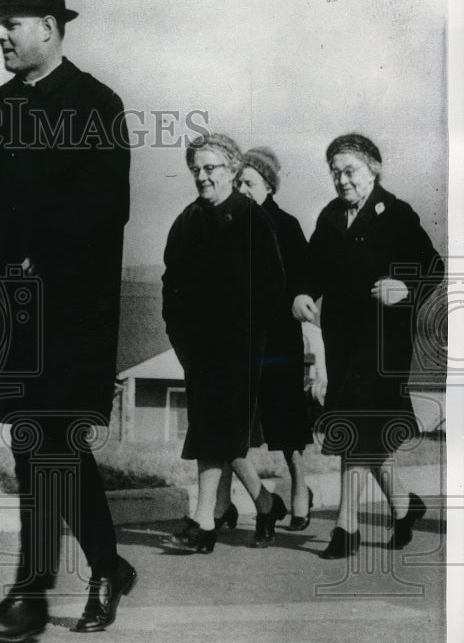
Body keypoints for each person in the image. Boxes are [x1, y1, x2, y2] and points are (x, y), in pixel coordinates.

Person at [0, 0, 134, 643]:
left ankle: (30, 597)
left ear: (52, 27)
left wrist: (40, 255)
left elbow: (105, 211)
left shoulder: (96, 105)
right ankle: (108, 566)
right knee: (43, 448)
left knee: (46, 443)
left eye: (12, 22)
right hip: (6, 304)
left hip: (70, 309)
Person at [292, 134, 442, 559]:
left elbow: (433, 266)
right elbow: (311, 267)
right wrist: (302, 292)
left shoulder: (395, 213)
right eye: (335, 172)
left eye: (350, 170)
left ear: (373, 167)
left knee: (355, 426)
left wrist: (404, 286)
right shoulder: (330, 216)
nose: (342, 180)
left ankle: (347, 527)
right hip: (343, 340)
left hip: (383, 344)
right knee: (365, 431)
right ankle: (403, 505)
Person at [162, 133, 287, 553]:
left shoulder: (253, 220)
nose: (202, 176)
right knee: (215, 431)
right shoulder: (188, 220)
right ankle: (263, 504)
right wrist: (181, 339)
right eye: (196, 169)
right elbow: (171, 286)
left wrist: (247, 340)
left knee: (215, 429)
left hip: (239, 348)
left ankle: (205, 522)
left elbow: (272, 288)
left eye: (210, 168)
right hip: (198, 349)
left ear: (233, 171)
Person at [236, 147, 315, 530]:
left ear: (268, 184)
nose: (242, 188)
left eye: (248, 182)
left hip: (280, 336)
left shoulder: (287, 225)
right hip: (241, 338)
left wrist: (300, 296)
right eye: (238, 182)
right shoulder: (230, 223)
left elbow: (304, 276)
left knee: (285, 422)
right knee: (234, 423)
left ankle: (300, 485)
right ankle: (228, 504)